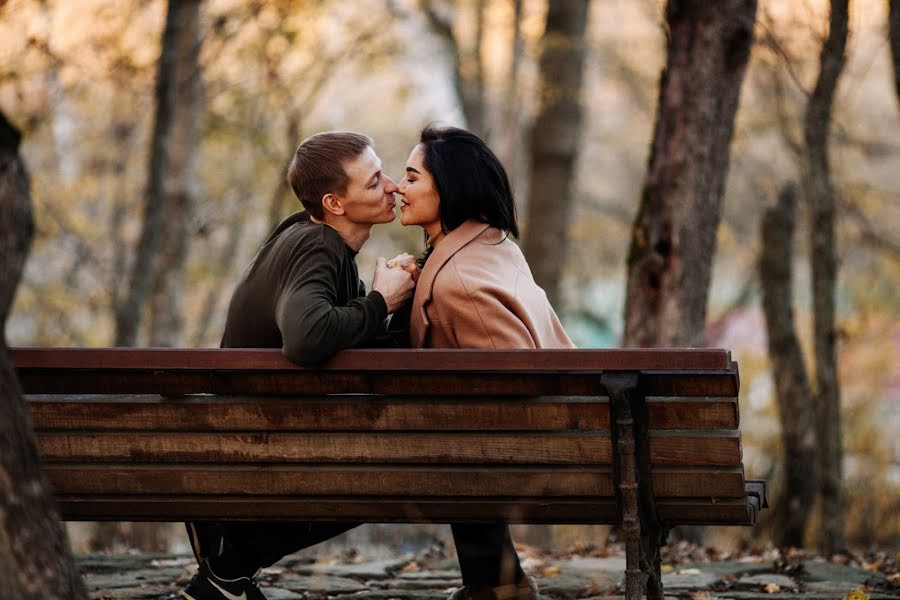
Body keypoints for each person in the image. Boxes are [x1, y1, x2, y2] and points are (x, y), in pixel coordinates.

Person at [180, 131, 416, 600]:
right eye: (373, 183)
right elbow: (307, 339)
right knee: (394, 477)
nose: (391, 186)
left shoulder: (307, 237)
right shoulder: (317, 246)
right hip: (256, 441)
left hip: (254, 430)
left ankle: (229, 573)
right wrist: (380, 301)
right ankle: (230, 565)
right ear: (334, 203)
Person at [394, 125, 575, 600]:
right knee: (458, 438)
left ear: (448, 188)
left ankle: (499, 587)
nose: (398, 187)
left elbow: (514, 382)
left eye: (411, 177)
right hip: (570, 435)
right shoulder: (491, 245)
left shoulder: (460, 283)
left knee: (455, 443)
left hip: (531, 452)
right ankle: (494, 584)